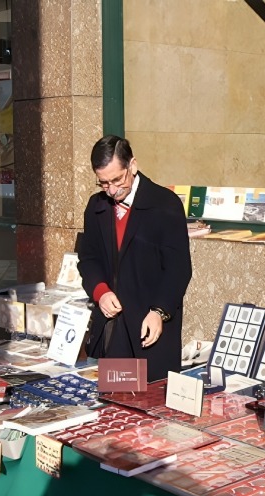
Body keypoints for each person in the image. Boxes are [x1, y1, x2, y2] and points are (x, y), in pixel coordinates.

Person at [77, 135, 192, 381]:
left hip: (150, 327)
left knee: (154, 411)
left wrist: (159, 311)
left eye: (117, 179)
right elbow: (88, 258)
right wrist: (100, 292)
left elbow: (178, 268)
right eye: (104, 183)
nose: (112, 190)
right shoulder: (96, 207)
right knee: (115, 411)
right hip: (113, 329)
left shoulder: (164, 204)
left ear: (133, 166)